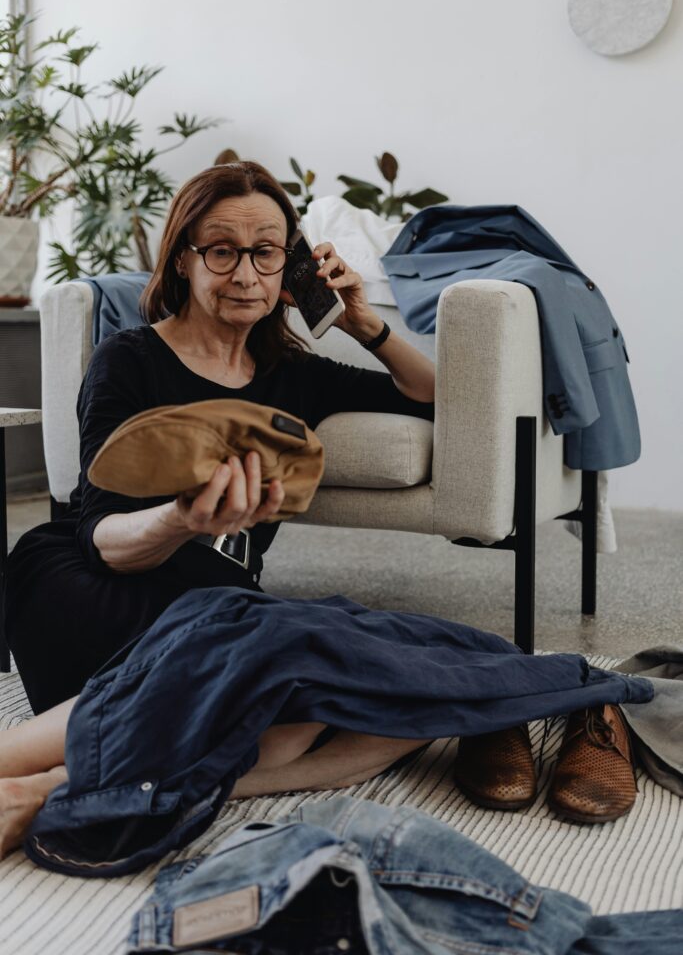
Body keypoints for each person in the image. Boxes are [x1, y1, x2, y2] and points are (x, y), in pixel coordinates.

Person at [0, 162, 636, 860]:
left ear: (289, 266)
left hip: (218, 604)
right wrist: (179, 521)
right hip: (93, 588)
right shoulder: (128, 360)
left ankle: (58, 785)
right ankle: (36, 779)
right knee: (287, 676)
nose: (245, 273)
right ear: (181, 259)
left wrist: (365, 327)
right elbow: (103, 538)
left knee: (344, 705)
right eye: (221, 250)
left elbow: (437, 398)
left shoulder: (292, 373)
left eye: (265, 252)